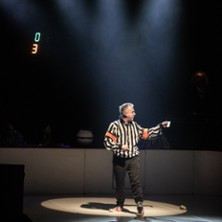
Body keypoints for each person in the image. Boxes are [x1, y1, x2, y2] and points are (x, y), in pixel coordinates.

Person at [104, 102, 170, 217]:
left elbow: (146, 134)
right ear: (125, 114)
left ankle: (139, 204)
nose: (135, 113)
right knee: (119, 183)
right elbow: (107, 142)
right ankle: (119, 204)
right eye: (132, 112)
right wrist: (120, 146)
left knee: (135, 181)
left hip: (133, 157)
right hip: (119, 159)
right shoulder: (114, 125)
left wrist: (160, 126)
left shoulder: (135, 125)